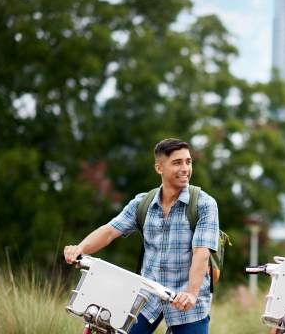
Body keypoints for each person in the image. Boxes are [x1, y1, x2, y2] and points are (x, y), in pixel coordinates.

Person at [64, 138, 219, 334]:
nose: (185, 168)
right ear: (159, 168)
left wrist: (191, 293)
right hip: (148, 297)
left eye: (188, 162)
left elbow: (201, 252)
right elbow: (110, 231)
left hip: (187, 299)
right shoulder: (142, 203)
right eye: (177, 162)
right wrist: (80, 249)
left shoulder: (204, 205)